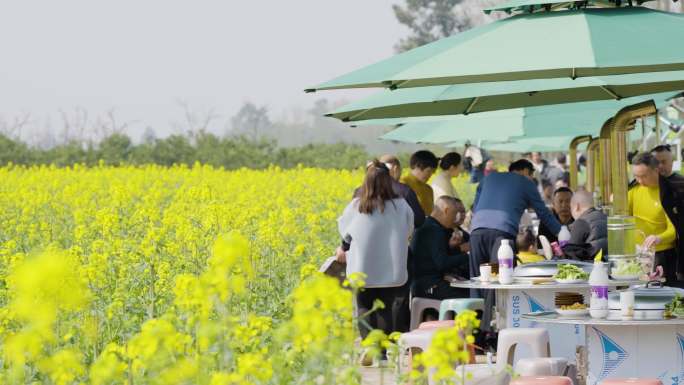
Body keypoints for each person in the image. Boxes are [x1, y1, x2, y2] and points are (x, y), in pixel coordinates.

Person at [469, 159, 561, 331]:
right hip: (502, 234)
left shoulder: (489, 178)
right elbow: (543, 213)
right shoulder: (526, 183)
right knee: (497, 283)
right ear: (526, 171)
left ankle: (472, 332)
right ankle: (491, 333)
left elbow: (475, 206)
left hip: (476, 232)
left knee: (477, 281)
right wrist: (562, 232)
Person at [337, 160, 414, 340]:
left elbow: (345, 234)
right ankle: (381, 350)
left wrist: (343, 248)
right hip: (391, 267)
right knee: (385, 307)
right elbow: (409, 230)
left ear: (366, 181)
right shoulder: (401, 205)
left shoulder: (357, 206)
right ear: (388, 181)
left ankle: (368, 345)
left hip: (362, 267)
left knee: (364, 306)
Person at [629, 153, 677, 285]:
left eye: (643, 176)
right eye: (636, 176)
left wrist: (659, 238)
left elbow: (675, 229)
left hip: (662, 256)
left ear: (656, 171)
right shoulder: (633, 190)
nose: (639, 180)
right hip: (637, 255)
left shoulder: (669, 192)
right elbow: (622, 217)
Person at [411, 196, 470, 300]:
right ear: (446, 210)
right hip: (429, 286)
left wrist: (455, 248)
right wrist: (468, 256)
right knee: (473, 297)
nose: (455, 219)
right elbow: (442, 263)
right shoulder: (434, 230)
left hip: (424, 284)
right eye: (454, 214)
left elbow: (437, 257)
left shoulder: (428, 224)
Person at [650, 145, 684, 279]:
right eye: (656, 162)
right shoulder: (644, 186)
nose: (660, 166)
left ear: (672, 161)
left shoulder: (681, 183)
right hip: (657, 251)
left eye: (664, 162)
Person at [563, 189, 607, 261]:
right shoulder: (605, 217)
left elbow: (571, 255)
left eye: (571, 208)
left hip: (591, 268)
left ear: (577, 206)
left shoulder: (581, 223)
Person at [401, 150, 438, 215]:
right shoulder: (402, 185)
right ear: (417, 166)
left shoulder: (428, 189)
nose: (430, 175)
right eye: (428, 171)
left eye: (432, 172)